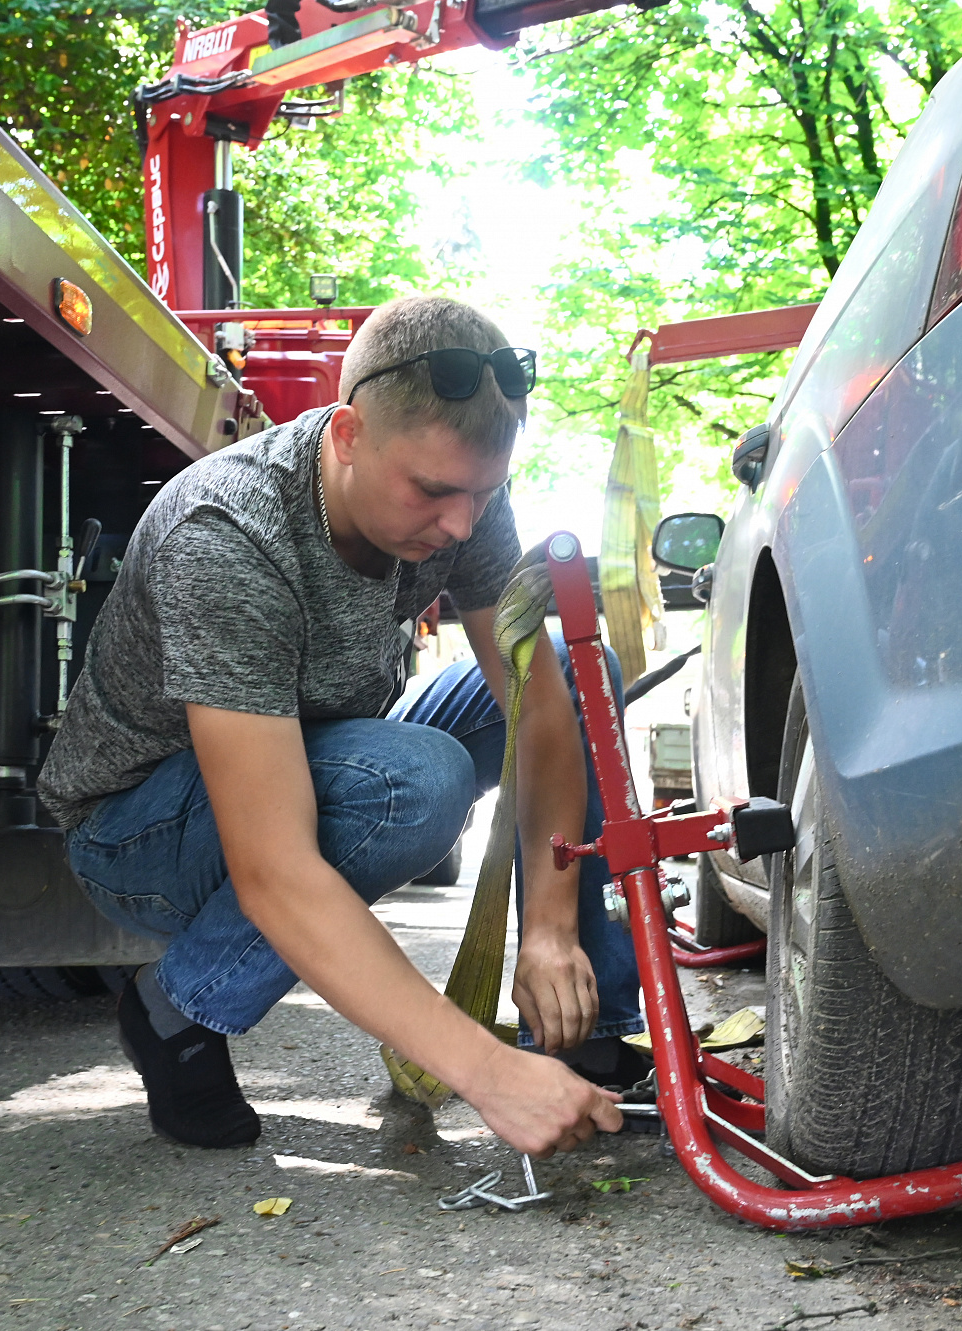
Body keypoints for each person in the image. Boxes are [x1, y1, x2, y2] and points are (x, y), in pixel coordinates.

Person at [38, 295, 643, 1157]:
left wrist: (548, 926)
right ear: (348, 433)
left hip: (314, 747)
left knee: (586, 680)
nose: (463, 526)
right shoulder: (229, 533)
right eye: (435, 493)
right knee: (415, 783)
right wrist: (483, 1073)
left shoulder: (458, 492)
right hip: (139, 826)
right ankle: (175, 1008)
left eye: (484, 493)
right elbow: (275, 868)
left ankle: (579, 1024)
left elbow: (539, 706)